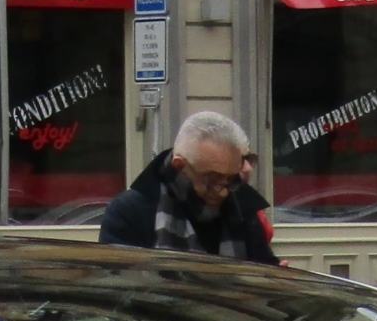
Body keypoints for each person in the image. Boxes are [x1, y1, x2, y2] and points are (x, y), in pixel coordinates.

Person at [100, 112, 277, 262]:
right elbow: (116, 287)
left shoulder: (243, 206)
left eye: (231, 179)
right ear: (180, 167)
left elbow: (263, 269)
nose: (223, 192)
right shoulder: (129, 212)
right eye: (212, 180)